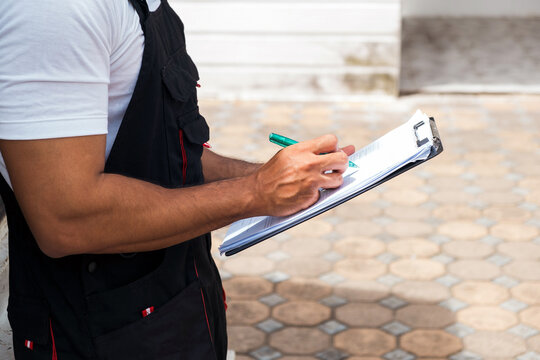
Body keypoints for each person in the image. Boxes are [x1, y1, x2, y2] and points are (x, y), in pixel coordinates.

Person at [0, 0, 354, 359]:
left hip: (176, 307)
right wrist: (255, 192)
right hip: (97, 332)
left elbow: (170, 151)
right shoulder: (52, 11)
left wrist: (280, 177)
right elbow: (66, 218)